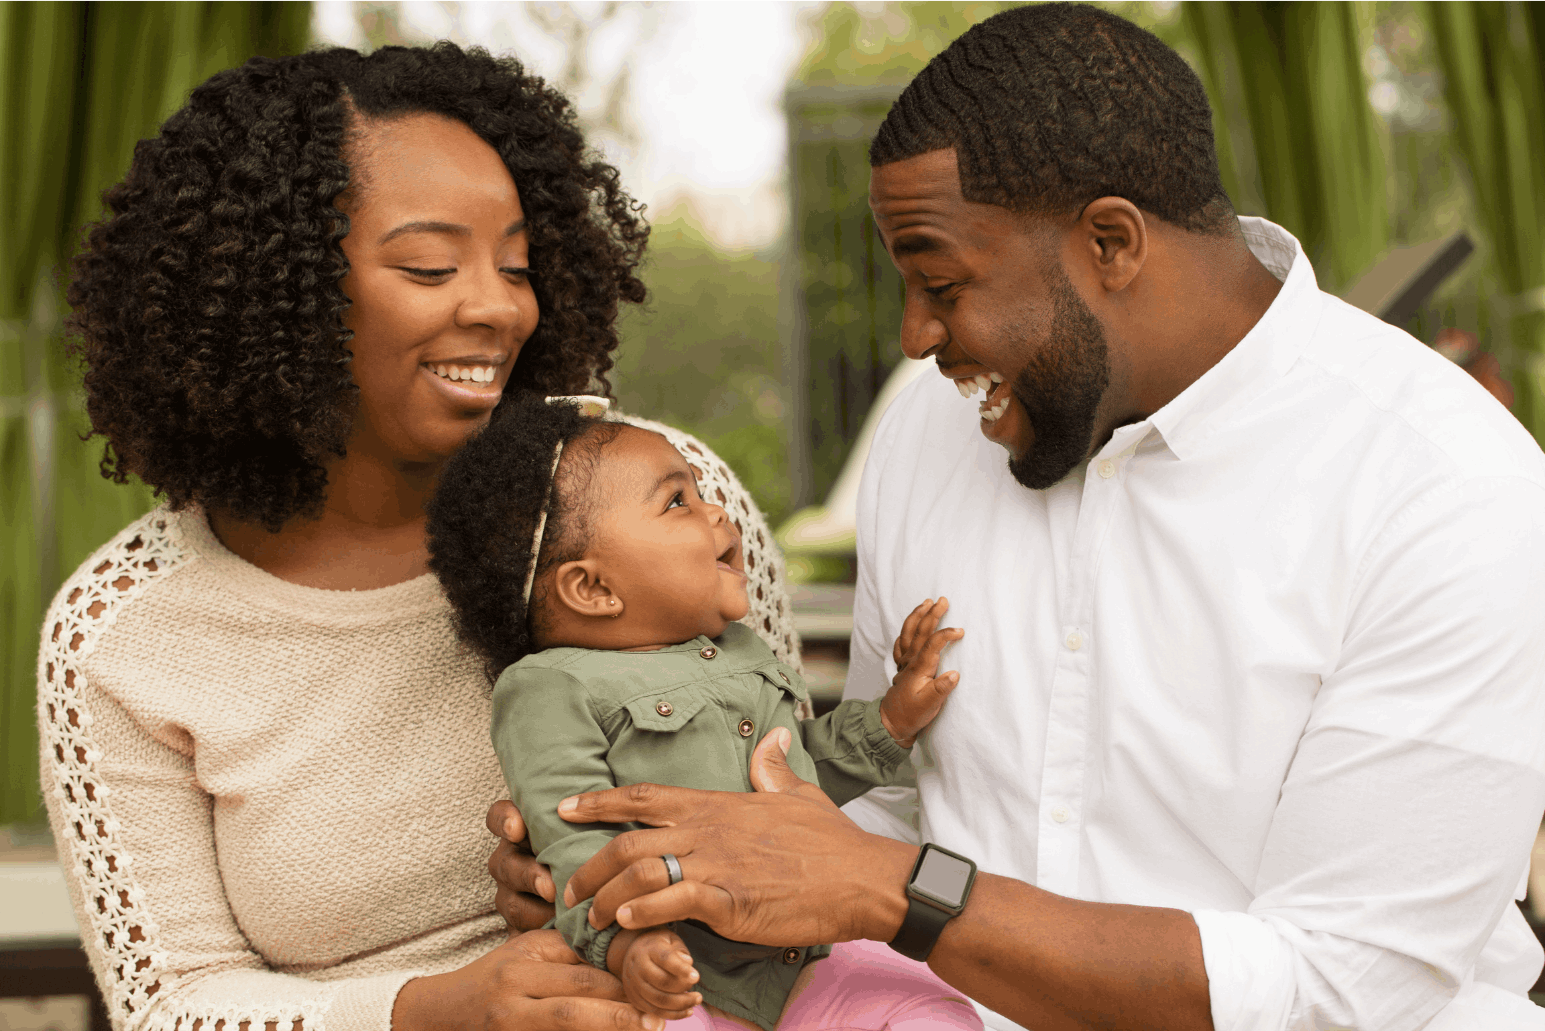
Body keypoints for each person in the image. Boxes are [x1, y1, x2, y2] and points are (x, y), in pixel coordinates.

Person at [497, 6, 1545, 1031]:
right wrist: (637, 869)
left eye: (942, 283)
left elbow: (1341, 986)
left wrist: (902, 890)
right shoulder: (925, 433)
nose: (914, 338)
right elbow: (867, 813)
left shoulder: (1447, 488)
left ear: (1111, 242)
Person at [38, 42, 799, 1031]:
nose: (498, 305)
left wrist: (609, 882)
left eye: (517, 264)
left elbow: (803, 812)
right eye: (431, 266)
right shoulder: (124, 632)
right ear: (276, 289)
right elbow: (170, 1001)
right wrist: (434, 1007)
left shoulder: (665, 502)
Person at [422, 392, 978, 1031]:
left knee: (930, 1011)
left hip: (805, 959)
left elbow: (795, 777)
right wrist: (627, 947)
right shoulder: (549, 688)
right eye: (676, 502)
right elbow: (573, 841)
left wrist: (892, 720)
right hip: (674, 977)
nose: (717, 512)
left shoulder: (740, 649)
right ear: (593, 588)